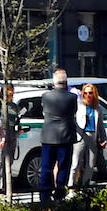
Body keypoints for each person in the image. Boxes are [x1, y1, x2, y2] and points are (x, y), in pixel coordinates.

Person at [37, 70, 78, 201]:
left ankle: (44, 195)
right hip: (66, 135)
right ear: (66, 82)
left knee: (46, 167)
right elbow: (74, 111)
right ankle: (60, 194)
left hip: (48, 135)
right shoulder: (72, 97)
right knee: (63, 167)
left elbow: (43, 110)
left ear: (54, 82)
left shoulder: (46, 96)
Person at [74, 82, 107, 190]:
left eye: (90, 93)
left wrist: (103, 139)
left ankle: (85, 185)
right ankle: (72, 187)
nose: (88, 95)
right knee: (75, 163)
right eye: (85, 93)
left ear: (94, 94)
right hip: (81, 135)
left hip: (93, 135)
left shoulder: (98, 108)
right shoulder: (79, 105)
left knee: (90, 164)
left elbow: (100, 126)